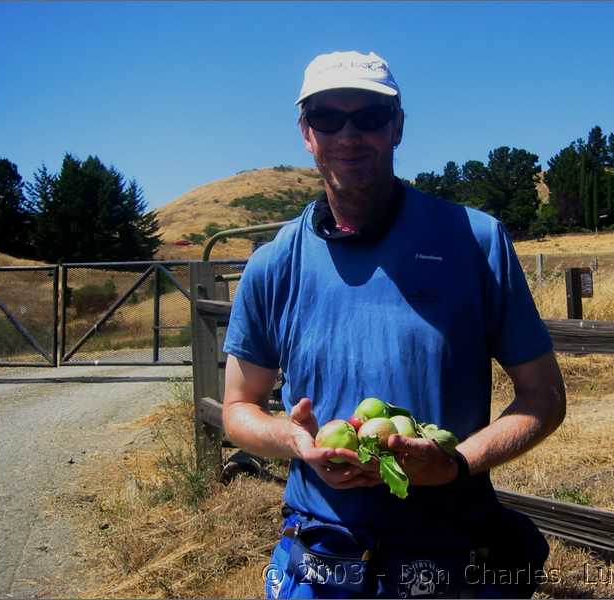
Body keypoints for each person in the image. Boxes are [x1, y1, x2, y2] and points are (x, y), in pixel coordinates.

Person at [222, 50, 566, 599]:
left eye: (370, 117)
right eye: (329, 118)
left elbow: (543, 396)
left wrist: (454, 466)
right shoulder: (273, 263)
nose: (349, 134)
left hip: (452, 558)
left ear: (398, 126)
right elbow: (239, 408)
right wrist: (293, 440)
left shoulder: (474, 241)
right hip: (319, 558)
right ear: (306, 132)